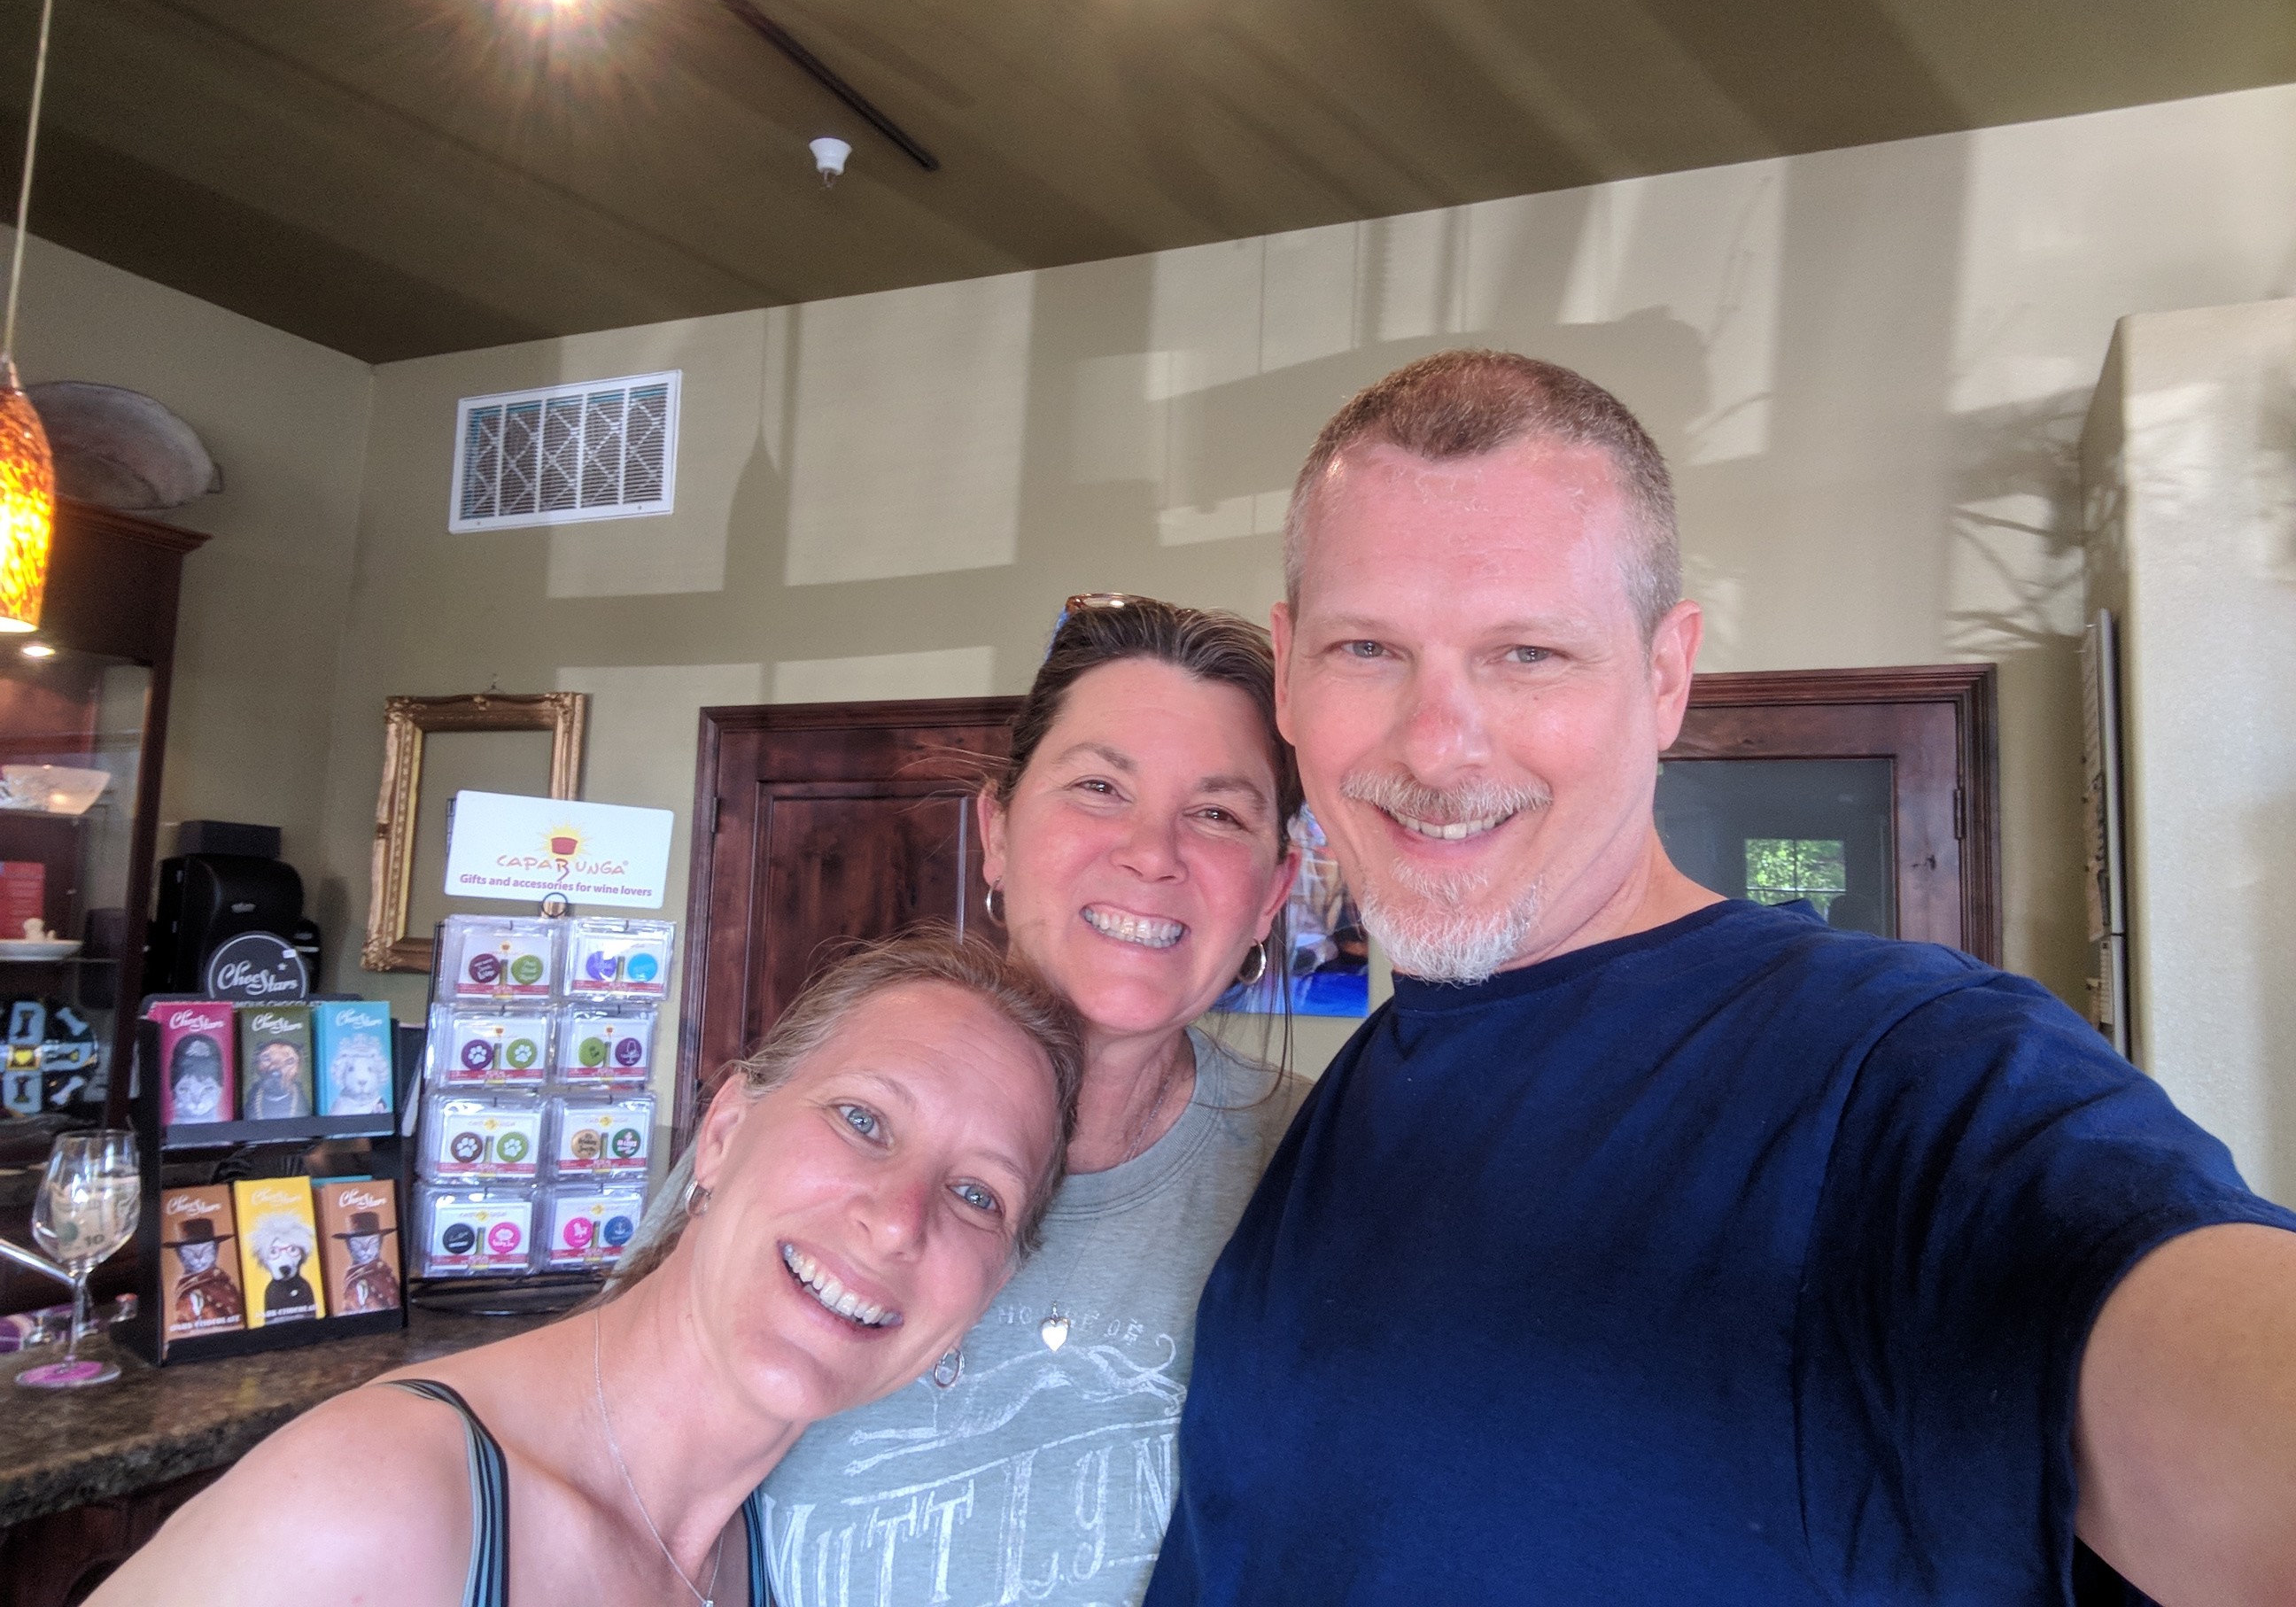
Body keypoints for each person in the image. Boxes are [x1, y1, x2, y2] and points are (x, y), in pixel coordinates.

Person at [1145, 350, 2296, 1605]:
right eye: (1368, 646)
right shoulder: (1364, 1085)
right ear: (1290, 669)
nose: (1435, 745)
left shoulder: (1901, 1072)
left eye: (1528, 653)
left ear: (1666, 676)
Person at [93, 934, 1084, 1607]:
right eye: (863, 1119)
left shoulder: (760, 1551)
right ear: (725, 1133)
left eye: (978, 1194)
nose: (899, 1222)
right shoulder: (381, 1500)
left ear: (993, 1287)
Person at [751, 595, 1308, 1607]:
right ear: (997, 831)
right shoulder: (802, 1116)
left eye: (1219, 814)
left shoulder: (1330, 1167)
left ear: (1274, 891)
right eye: (1099, 787)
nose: (1153, 852)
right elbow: (612, 1463)